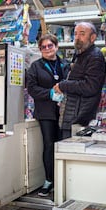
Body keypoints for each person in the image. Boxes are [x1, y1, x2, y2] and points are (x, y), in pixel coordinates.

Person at [26, 34, 70, 197]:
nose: (47, 49)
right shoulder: (35, 67)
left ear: (56, 46)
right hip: (46, 112)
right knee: (49, 145)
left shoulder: (65, 64)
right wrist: (49, 93)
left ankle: (63, 179)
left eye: (50, 46)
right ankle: (49, 180)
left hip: (65, 111)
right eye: (43, 47)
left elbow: (72, 83)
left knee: (63, 144)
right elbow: (31, 89)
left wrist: (65, 93)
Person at [53, 21, 106, 139]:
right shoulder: (80, 54)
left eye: (82, 34)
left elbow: (90, 87)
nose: (77, 37)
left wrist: (64, 85)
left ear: (92, 37)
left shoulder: (95, 57)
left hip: (80, 118)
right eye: (75, 34)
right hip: (71, 115)